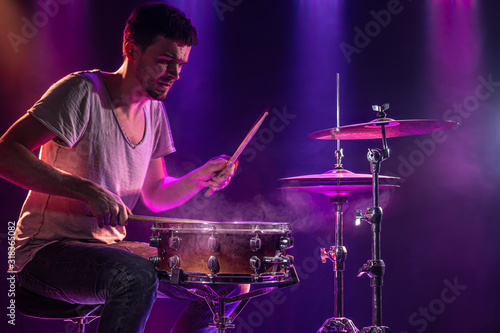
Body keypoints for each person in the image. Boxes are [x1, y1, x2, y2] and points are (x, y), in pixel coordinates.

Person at [0, 3, 245, 332]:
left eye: (181, 64)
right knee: (135, 274)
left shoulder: (154, 112)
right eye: (165, 60)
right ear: (132, 49)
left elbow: (155, 195)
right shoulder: (82, 91)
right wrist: (86, 190)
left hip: (112, 251)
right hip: (43, 253)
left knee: (230, 277)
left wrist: (200, 178)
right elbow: (6, 153)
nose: (175, 74)